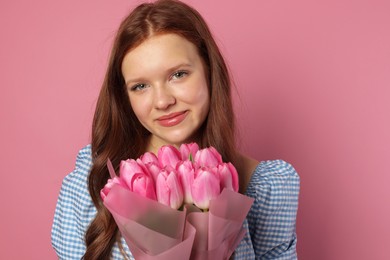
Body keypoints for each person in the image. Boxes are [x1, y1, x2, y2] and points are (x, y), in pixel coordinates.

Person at [51, 0, 300, 259]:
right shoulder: (91, 181)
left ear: (209, 71)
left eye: (178, 75)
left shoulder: (267, 187)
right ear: (125, 97)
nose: (162, 101)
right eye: (140, 86)